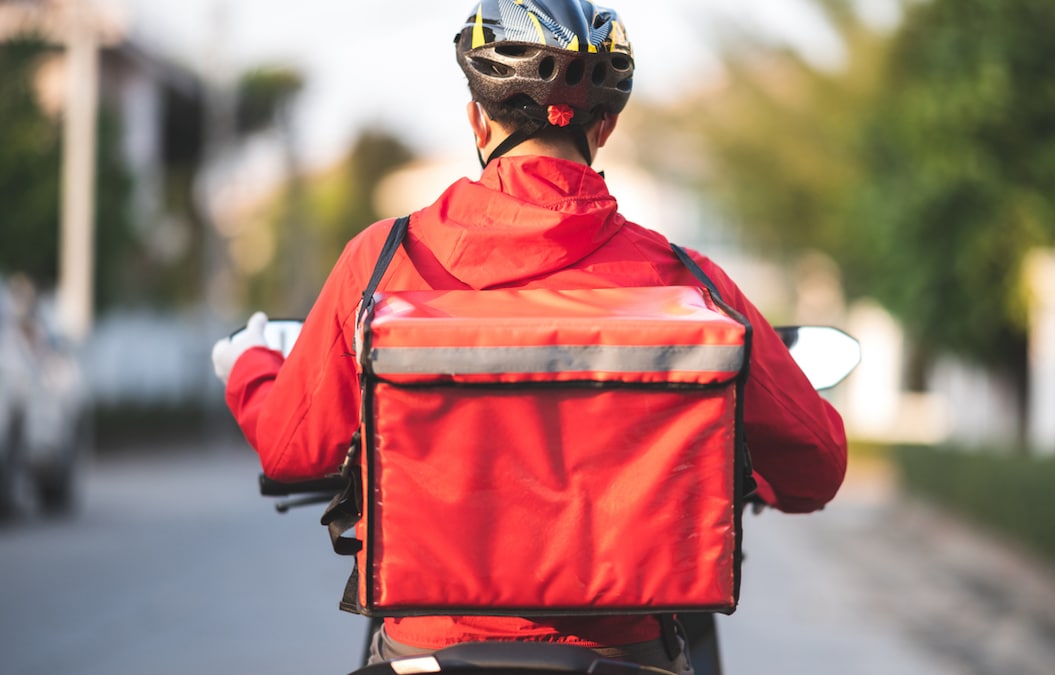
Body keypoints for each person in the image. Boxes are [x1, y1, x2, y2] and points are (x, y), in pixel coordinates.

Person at [211, 1, 848, 673]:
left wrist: (248, 365)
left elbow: (290, 449)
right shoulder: (689, 281)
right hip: (622, 651)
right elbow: (818, 467)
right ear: (606, 128)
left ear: (477, 120)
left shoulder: (381, 261)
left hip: (425, 651)